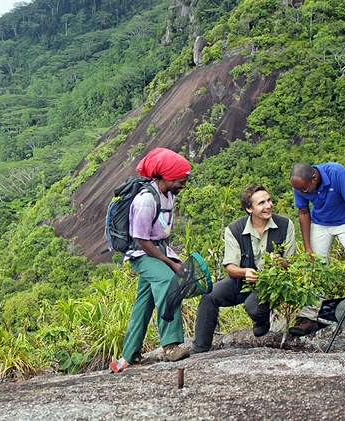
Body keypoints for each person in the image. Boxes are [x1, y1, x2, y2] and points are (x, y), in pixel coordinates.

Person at [109, 148, 192, 373]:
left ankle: (129, 354)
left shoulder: (169, 195)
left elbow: (160, 233)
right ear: (166, 177)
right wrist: (171, 263)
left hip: (157, 250)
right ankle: (170, 345)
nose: (183, 184)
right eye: (180, 180)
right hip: (142, 254)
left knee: (143, 303)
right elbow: (141, 240)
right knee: (168, 282)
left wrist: (171, 257)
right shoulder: (146, 200)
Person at [192, 184, 296, 353]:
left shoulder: (285, 225)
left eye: (269, 200)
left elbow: (291, 263)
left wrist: (279, 263)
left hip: (271, 282)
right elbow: (230, 267)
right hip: (242, 279)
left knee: (253, 305)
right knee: (209, 296)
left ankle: (261, 321)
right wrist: (245, 272)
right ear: (249, 208)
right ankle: (199, 349)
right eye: (262, 203)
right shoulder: (234, 229)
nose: (268, 205)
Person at [288, 162, 345, 337]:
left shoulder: (337, 173)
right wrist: (307, 247)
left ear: (314, 178)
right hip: (320, 223)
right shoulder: (300, 185)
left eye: (304, 190)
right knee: (314, 265)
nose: (302, 193)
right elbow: (303, 212)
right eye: (299, 190)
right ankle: (308, 316)